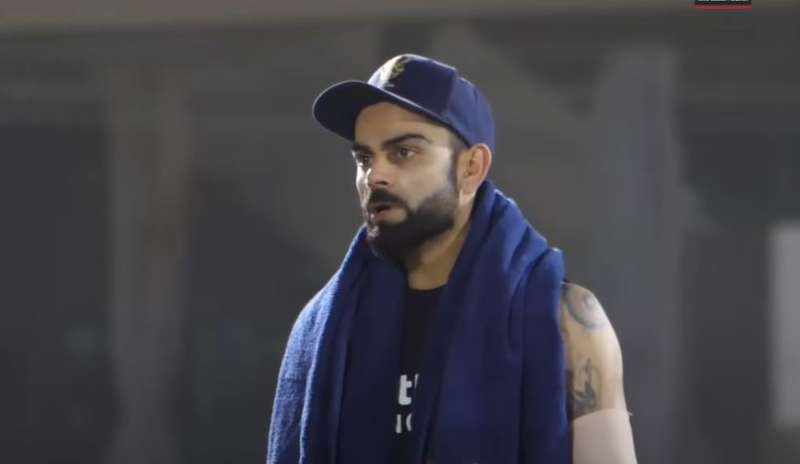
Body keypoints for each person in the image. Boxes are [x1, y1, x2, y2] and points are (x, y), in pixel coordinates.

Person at [267, 53, 637, 464]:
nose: (374, 176)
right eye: (364, 158)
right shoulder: (324, 326)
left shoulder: (566, 321)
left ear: (471, 168)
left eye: (403, 152)